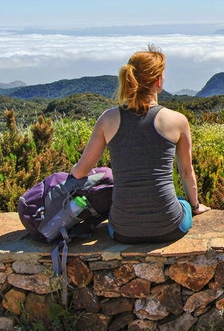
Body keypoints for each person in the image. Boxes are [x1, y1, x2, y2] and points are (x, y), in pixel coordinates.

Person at [71, 45, 209, 243]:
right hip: (170, 226)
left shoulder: (107, 119)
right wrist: (195, 206)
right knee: (182, 203)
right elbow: (186, 173)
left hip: (121, 231)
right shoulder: (177, 120)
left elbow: (80, 172)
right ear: (157, 81)